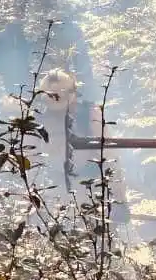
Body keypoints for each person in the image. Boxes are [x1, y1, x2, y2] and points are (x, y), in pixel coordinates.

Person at [38, 68, 130, 225]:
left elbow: (110, 158)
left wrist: (119, 200)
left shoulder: (89, 116)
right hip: (52, 194)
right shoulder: (38, 120)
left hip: (90, 191)